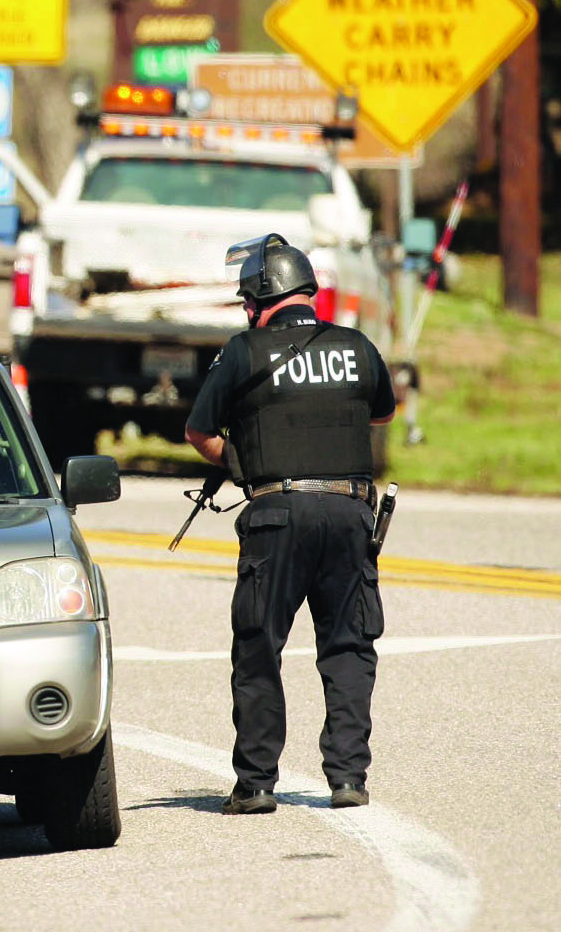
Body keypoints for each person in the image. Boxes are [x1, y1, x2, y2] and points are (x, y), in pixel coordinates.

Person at [184, 233, 396, 815]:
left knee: (258, 647)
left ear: (259, 296)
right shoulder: (355, 346)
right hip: (352, 511)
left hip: (276, 516)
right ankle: (348, 779)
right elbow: (380, 412)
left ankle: (256, 785)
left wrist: (245, 460)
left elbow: (198, 434)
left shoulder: (243, 350)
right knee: (349, 646)